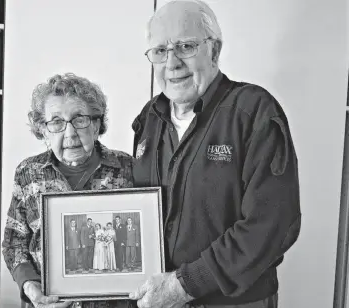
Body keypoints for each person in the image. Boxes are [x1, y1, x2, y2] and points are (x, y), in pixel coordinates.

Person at [129, 1, 301, 307]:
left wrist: (183, 286)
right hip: (159, 298)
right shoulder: (149, 118)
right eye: (160, 51)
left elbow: (272, 224)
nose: (172, 63)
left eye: (185, 46)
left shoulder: (254, 111)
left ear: (215, 51)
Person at [1, 73, 135, 308]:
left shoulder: (128, 168)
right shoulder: (28, 173)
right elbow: (14, 242)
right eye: (56, 122)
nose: (70, 133)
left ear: (96, 125)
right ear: (43, 130)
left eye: (79, 119)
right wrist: (31, 287)